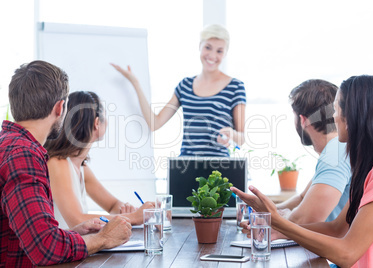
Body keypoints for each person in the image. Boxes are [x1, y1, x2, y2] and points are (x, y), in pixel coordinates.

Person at [232, 75, 373, 268]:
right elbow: (337, 229)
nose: (334, 117)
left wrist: (279, 222)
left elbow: (348, 254)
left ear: (352, 117)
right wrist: (279, 231)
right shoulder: (369, 168)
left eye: (336, 109)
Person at [0, 61, 132, 266]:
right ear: (60, 108)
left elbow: (27, 237)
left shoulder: (8, 144)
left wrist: (70, 234)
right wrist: (102, 239)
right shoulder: (23, 155)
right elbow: (45, 248)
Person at [111, 24, 246, 156]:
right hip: (186, 166)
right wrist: (136, 83)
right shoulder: (185, 86)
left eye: (219, 51)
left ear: (225, 53)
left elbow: (242, 139)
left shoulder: (235, 87)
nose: (212, 55)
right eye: (208, 47)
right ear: (200, 46)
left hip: (219, 170)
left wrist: (232, 134)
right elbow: (155, 123)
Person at [44, 91, 155, 229]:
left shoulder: (81, 167)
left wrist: (139, 212)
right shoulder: (57, 164)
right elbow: (78, 220)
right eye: (105, 116)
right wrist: (133, 218)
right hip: (63, 249)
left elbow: (112, 205)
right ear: (97, 123)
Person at [276, 79, 351, 224]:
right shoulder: (338, 147)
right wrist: (264, 210)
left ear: (303, 120)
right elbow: (303, 198)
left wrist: (268, 217)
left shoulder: (334, 153)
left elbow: (306, 220)